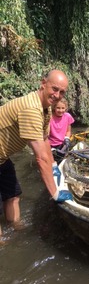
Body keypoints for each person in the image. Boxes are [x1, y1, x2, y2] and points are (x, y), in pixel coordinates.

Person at [0, 69, 73, 243]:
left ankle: (15, 228)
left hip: (2, 158)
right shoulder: (31, 108)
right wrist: (55, 193)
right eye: (54, 89)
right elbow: (40, 158)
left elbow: (45, 140)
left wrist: (54, 166)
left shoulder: (45, 109)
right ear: (43, 83)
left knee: (13, 194)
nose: (57, 95)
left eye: (62, 92)